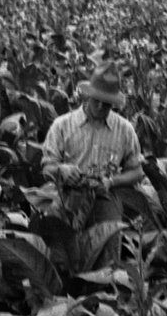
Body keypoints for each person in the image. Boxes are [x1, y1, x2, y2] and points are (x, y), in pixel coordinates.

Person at [41, 63, 144, 236]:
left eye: (107, 104)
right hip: (69, 197)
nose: (101, 107)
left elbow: (137, 172)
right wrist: (62, 169)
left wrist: (111, 182)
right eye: (97, 101)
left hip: (105, 198)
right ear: (87, 96)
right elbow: (46, 169)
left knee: (108, 245)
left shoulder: (125, 129)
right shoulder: (62, 125)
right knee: (57, 246)